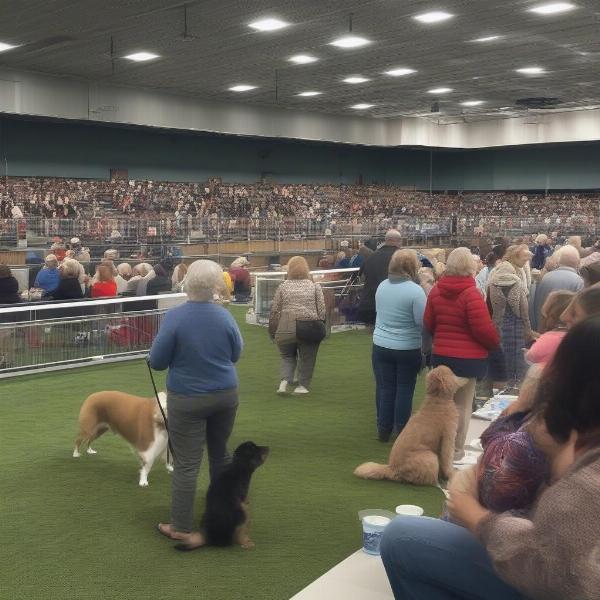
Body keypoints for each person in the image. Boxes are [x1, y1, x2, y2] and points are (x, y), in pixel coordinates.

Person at [381, 316, 600, 600]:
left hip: (545, 579)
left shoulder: (582, 477)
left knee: (401, 537)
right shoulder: (571, 447)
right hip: (541, 557)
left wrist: (478, 518)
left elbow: (555, 575)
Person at [149, 260, 242, 548]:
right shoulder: (225, 316)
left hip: (187, 398)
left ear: (187, 282)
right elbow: (236, 353)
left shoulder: (175, 317)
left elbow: (157, 361)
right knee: (220, 456)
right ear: (215, 286)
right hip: (225, 393)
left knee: (188, 464)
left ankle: (180, 526)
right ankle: (222, 518)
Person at [424, 247, 499, 460]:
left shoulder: (436, 291)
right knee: (462, 407)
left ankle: (437, 446)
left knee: (440, 405)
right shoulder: (471, 294)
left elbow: (429, 323)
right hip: (468, 360)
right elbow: (483, 330)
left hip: (441, 357)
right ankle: (455, 450)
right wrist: (494, 343)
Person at [371, 250, 426, 441]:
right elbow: (422, 321)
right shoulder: (416, 291)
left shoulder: (382, 286)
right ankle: (401, 430)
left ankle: (383, 428)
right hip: (407, 347)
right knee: (404, 389)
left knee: (386, 387)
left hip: (381, 344)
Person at [269, 256, 326, 395]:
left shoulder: (283, 286)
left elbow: (275, 309)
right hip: (308, 323)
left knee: (287, 356)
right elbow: (322, 310)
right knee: (307, 357)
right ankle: (302, 386)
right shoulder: (314, 287)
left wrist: (273, 328)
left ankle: (283, 383)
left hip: (287, 322)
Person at [487, 245, 538, 386]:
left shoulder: (502, 270)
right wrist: (527, 328)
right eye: (523, 258)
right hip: (513, 324)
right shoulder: (511, 275)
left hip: (500, 323)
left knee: (505, 358)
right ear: (515, 257)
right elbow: (522, 307)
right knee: (513, 358)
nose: (526, 262)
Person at [532, 245, 584, 330]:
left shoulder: (545, 277)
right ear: (578, 262)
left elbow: (536, 302)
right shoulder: (579, 281)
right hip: (561, 332)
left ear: (559, 261)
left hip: (541, 328)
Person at [357, 229, 402, 325]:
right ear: (398, 241)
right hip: (392, 306)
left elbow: (361, 275)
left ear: (386, 240)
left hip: (369, 305)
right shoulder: (401, 257)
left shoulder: (371, 257)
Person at [525, 291, 573, 366]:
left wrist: (540, 339)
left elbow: (530, 356)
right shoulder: (577, 335)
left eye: (545, 315)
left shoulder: (549, 338)